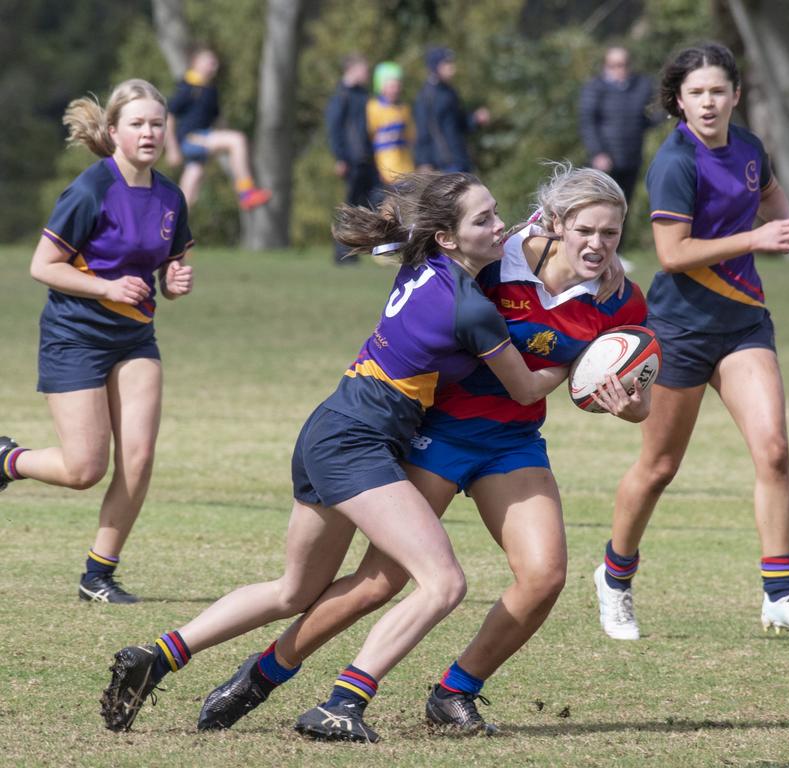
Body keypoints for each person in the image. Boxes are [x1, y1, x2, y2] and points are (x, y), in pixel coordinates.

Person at [99, 171, 569, 740]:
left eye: (498, 213)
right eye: (484, 219)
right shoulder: (471, 308)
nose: (499, 226)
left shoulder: (425, 264)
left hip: (329, 427)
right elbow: (524, 389)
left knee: (293, 591)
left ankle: (159, 655)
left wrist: (529, 231)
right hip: (357, 444)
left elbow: (501, 239)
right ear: (446, 236)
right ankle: (342, 704)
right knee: (442, 583)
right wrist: (583, 357)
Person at [185, 164, 645, 737]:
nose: (598, 246)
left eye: (611, 234)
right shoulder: (497, 257)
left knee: (545, 574)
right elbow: (428, 262)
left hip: (511, 443)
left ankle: (455, 692)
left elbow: (639, 393)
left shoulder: (619, 302)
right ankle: (264, 673)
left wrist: (625, 404)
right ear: (553, 222)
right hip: (437, 432)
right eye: (586, 232)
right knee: (381, 581)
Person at [593, 42, 789, 643]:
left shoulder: (750, 147)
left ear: (735, 95)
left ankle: (780, 593)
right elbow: (672, 255)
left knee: (774, 451)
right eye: (696, 92)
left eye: (718, 91)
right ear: (679, 100)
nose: (708, 101)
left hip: (745, 322)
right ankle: (614, 577)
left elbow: (773, 195)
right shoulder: (675, 162)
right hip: (679, 330)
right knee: (659, 467)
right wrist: (756, 239)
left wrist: (779, 223)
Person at [0, 80, 194, 604]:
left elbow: (166, 270)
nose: (149, 132)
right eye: (137, 124)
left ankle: (98, 575)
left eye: (157, 123)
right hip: (75, 338)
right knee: (84, 469)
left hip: (134, 338)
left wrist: (173, 284)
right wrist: (106, 286)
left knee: (139, 457)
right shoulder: (91, 189)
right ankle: (6, 461)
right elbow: (42, 266)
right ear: (114, 132)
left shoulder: (171, 196)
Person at [164, 46, 271, 211]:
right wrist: (172, 149)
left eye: (215, 63)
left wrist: (230, 142)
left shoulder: (211, 91)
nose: (214, 66)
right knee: (237, 140)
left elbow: (218, 121)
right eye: (209, 61)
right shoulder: (187, 88)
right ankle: (246, 192)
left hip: (203, 139)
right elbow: (168, 116)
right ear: (195, 62)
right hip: (190, 139)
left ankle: (170, 223)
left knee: (193, 180)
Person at [578, 46, 657, 242]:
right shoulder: (595, 88)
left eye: (623, 65)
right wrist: (597, 153)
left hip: (631, 157)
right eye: (614, 65)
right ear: (606, 66)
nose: (619, 69)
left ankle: (617, 250)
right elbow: (588, 122)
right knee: (600, 205)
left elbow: (650, 116)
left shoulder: (641, 86)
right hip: (604, 159)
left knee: (623, 206)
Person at [325, 53, 378, 264]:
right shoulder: (341, 96)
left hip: (367, 160)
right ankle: (342, 253)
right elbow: (334, 129)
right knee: (349, 208)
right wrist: (340, 157)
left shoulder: (364, 95)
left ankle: (355, 251)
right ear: (353, 69)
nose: (367, 74)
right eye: (365, 70)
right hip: (351, 160)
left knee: (365, 206)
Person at [413, 46, 490, 173]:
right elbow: (423, 133)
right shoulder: (426, 97)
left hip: (460, 159)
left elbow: (458, 124)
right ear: (435, 67)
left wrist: (475, 119)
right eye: (447, 63)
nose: (452, 67)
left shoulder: (449, 91)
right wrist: (424, 162)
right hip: (443, 165)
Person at [366, 62, 415, 191]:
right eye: (391, 85)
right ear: (381, 86)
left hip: (406, 169)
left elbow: (411, 137)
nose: (396, 89)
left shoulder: (404, 108)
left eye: (398, 85)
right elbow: (369, 138)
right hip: (385, 171)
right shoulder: (373, 108)